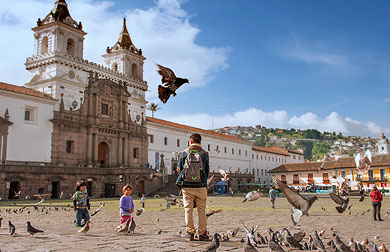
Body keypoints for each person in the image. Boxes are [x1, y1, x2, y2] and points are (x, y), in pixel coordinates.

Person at [176, 133, 210, 241]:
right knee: (201, 210)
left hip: (187, 186)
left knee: (188, 209)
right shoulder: (204, 154)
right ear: (200, 142)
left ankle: (190, 233)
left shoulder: (184, 153)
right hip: (201, 186)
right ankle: (203, 233)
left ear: (190, 141)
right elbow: (207, 170)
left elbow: (179, 169)